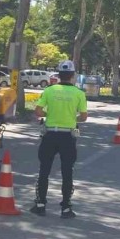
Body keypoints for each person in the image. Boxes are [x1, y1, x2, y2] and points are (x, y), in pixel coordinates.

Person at [31, 60, 88, 219]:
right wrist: (71, 117)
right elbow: (83, 117)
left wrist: (50, 115)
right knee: (67, 172)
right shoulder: (79, 93)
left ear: (58, 74)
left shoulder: (49, 90)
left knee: (44, 170)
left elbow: (38, 111)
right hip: (68, 137)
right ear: (72, 75)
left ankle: (40, 204)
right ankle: (66, 208)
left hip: (49, 135)